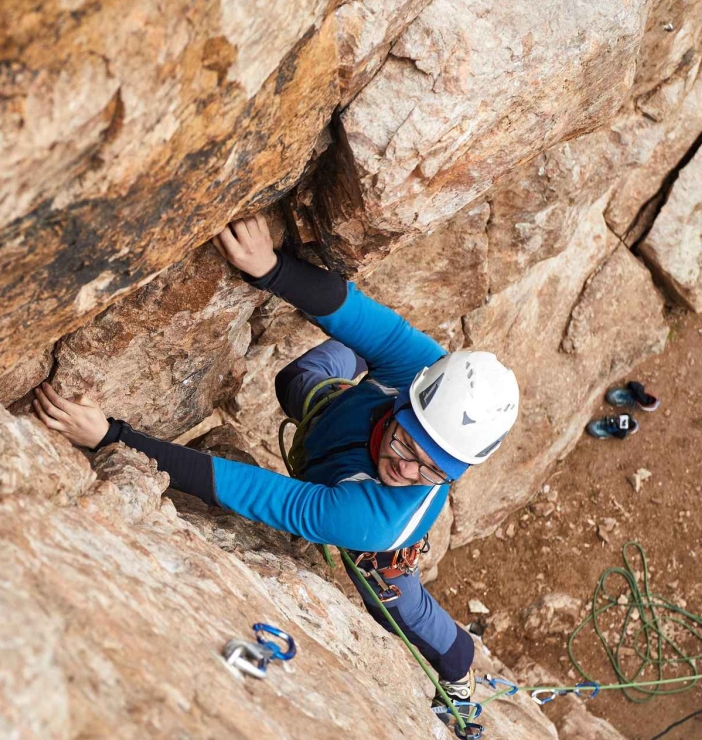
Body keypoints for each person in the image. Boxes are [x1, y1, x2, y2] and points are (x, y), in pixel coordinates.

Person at [34, 215, 520, 710]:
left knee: (395, 603)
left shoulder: (373, 522)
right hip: (339, 422)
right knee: (299, 378)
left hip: (351, 499)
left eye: (435, 472)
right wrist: (268, 267)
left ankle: (458, 666)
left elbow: (242, 488)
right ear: (404, 406)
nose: (408, 472)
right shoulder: (421, 367)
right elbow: (350, 309)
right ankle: (364, 362)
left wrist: (111, 437)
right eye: (407, 445)